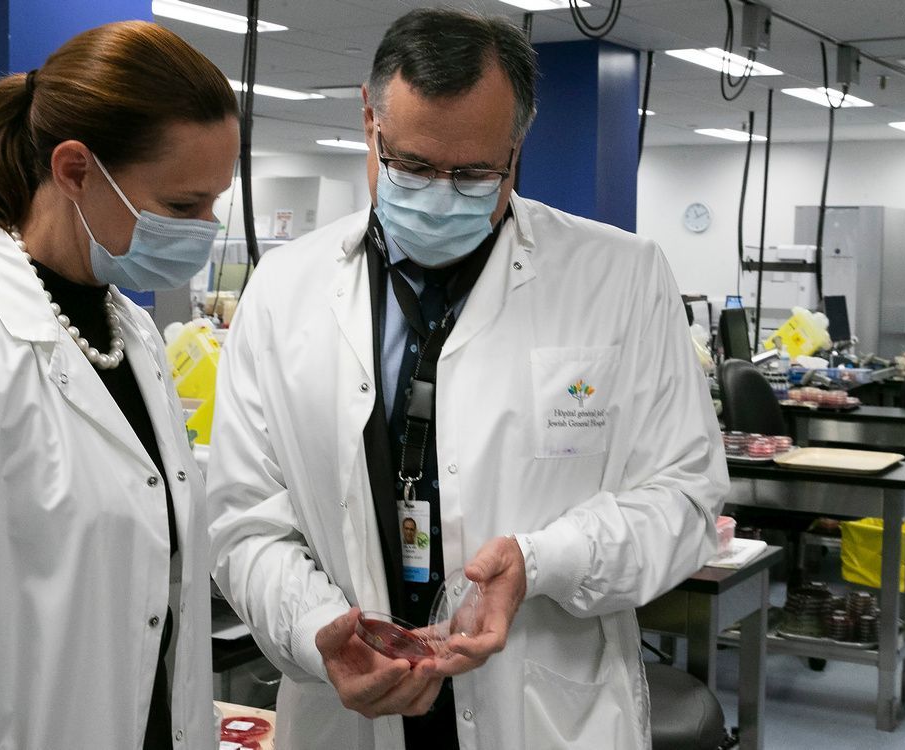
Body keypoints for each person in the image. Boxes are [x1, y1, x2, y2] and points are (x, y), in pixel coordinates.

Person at [207, 7, 727, 750]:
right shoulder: (283, 288)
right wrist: (319, 628)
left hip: (543, 707)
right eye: (412, 166)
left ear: (516, 149)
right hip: (350, 708)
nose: (442, 193)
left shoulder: (621, 278)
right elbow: (246, 521)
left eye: (477, 172)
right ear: (369, 119)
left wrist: (546, 560)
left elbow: (685, 501)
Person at [0, 21, 239, 750]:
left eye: (214, 203)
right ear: (75, 169)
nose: (204, 229)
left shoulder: (132, 336)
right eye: (181, 206)